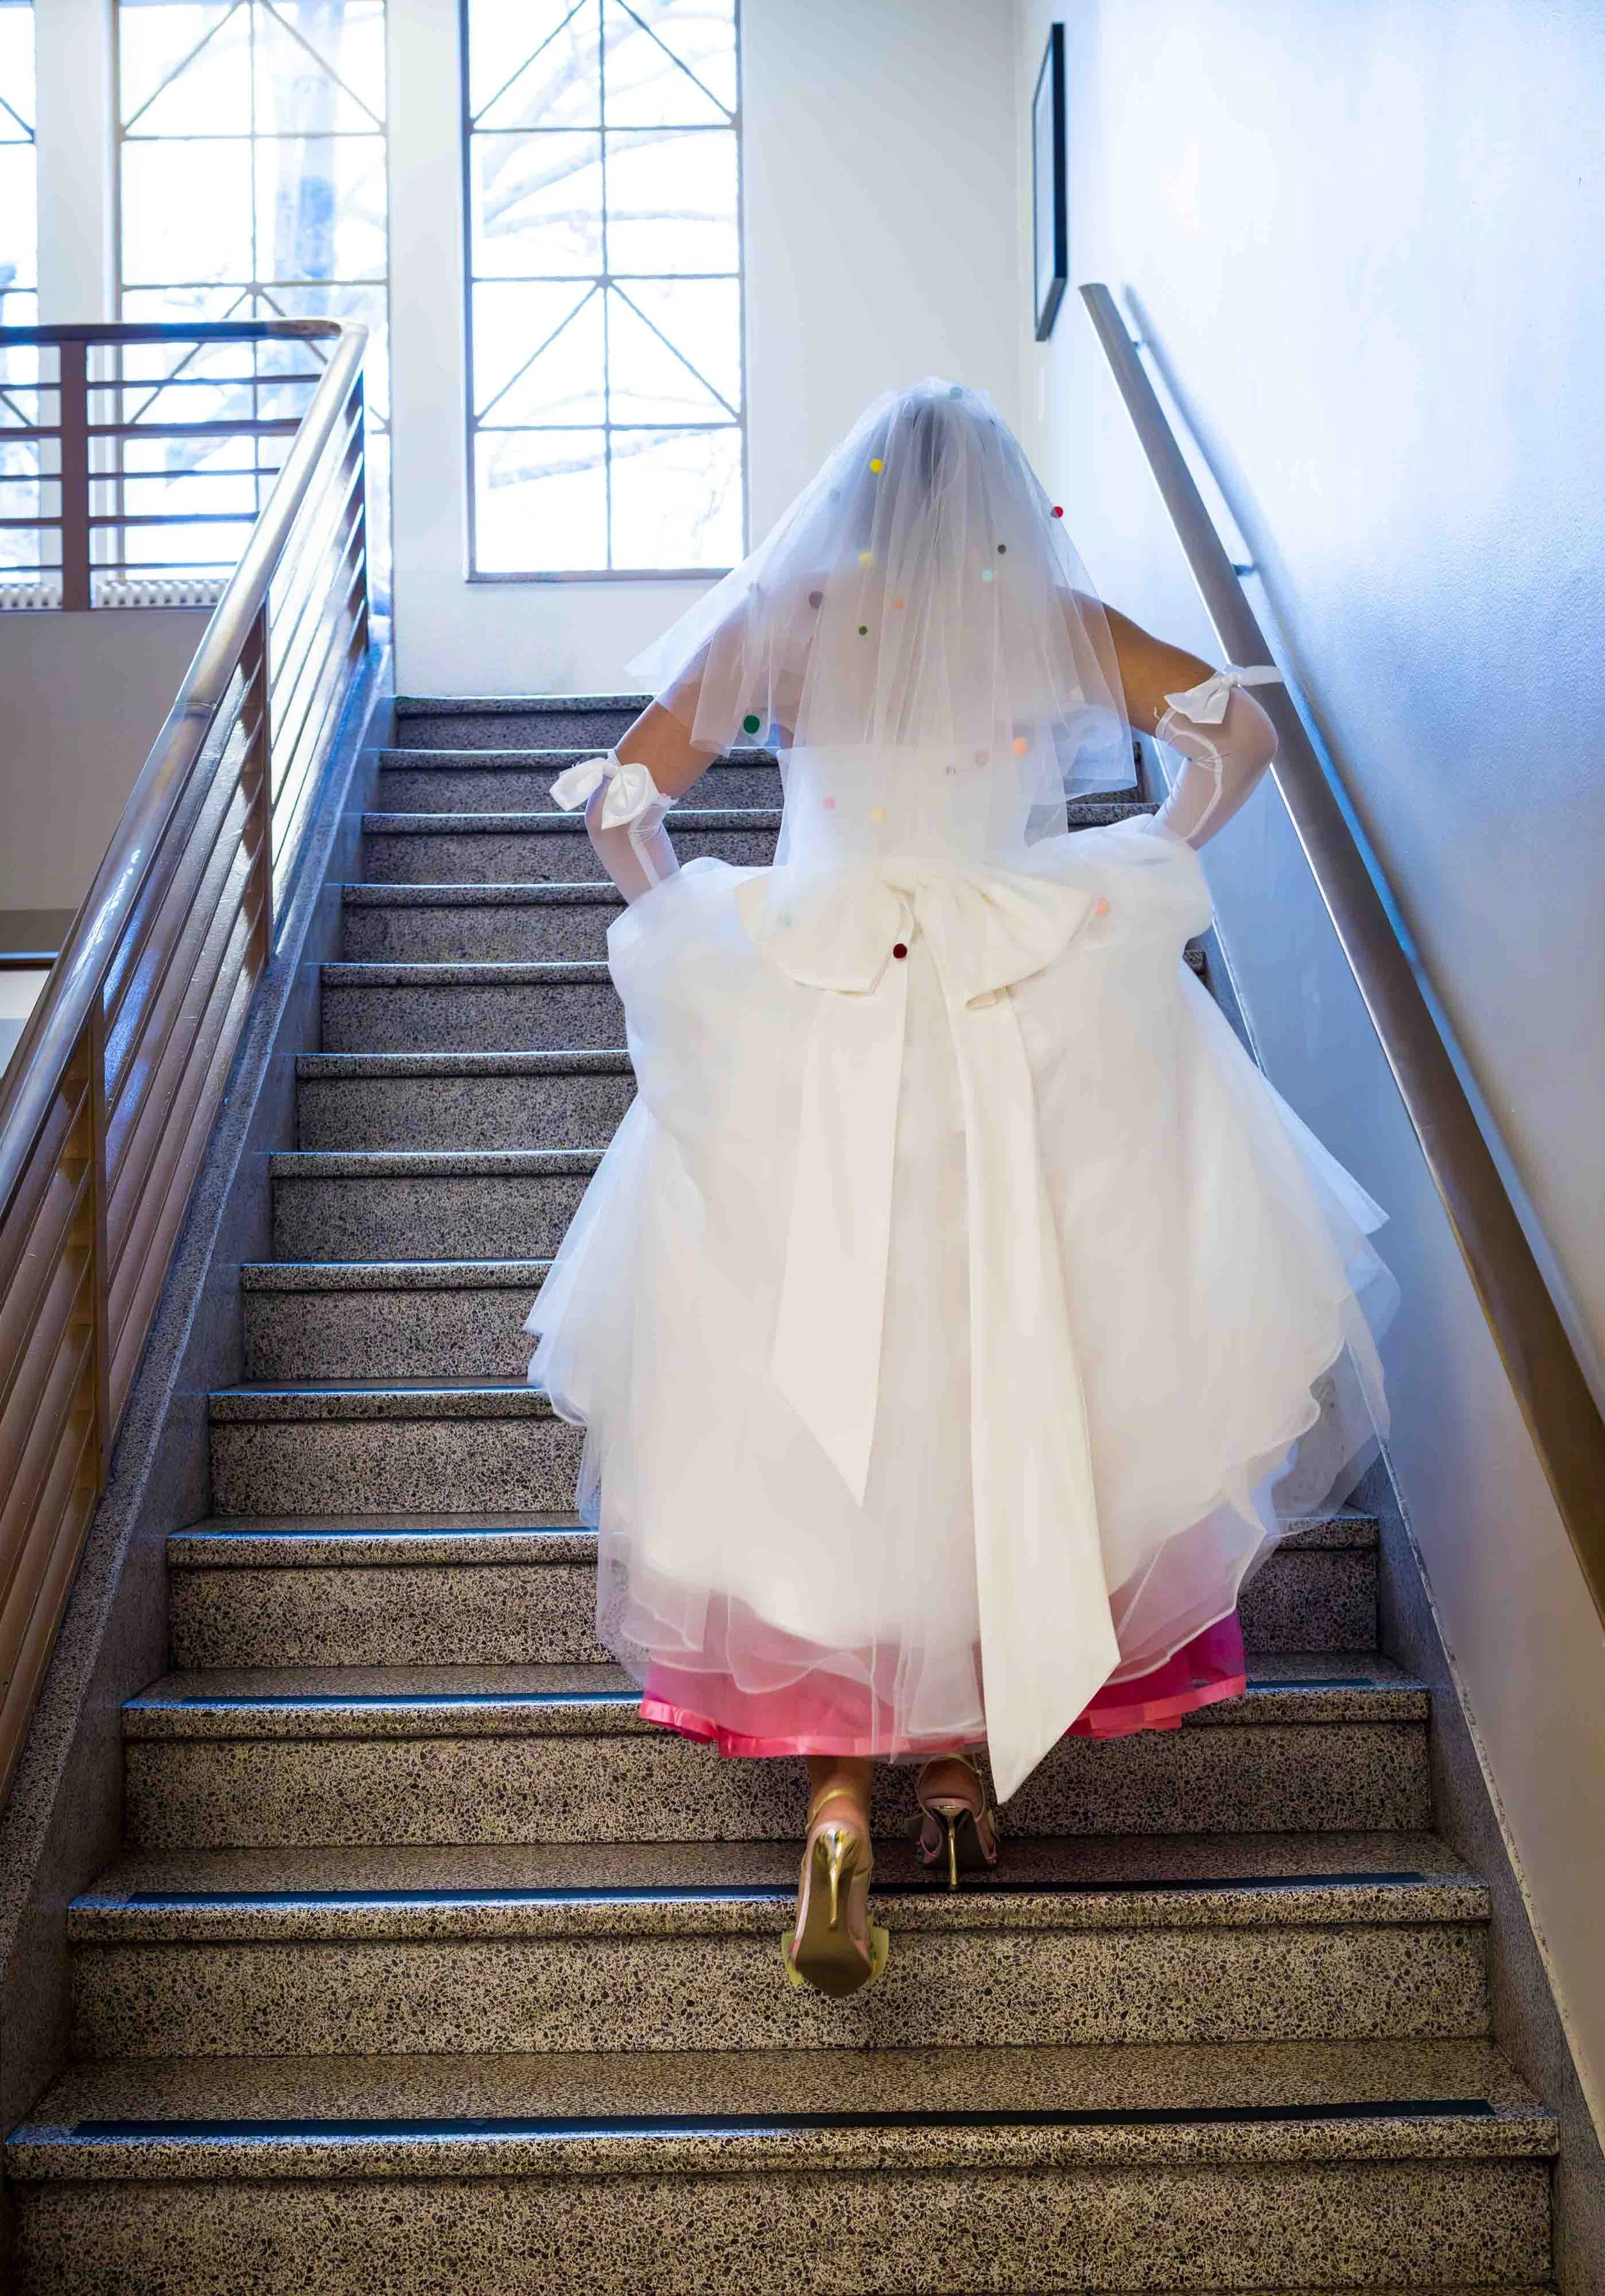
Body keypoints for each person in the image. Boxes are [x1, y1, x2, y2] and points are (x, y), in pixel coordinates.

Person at [528, 379, 1396, 1999]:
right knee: (1007, 1346)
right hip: (1010, 996)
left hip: (822, 997)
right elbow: (1238, 729)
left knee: (821, 1373)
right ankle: (953, 1771)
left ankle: (842, 1796)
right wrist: (1150, 855)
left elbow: (624, 790)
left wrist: (680, 931)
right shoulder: (1047, 616)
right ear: (996, 497)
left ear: (851, 504)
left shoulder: (791, 616)